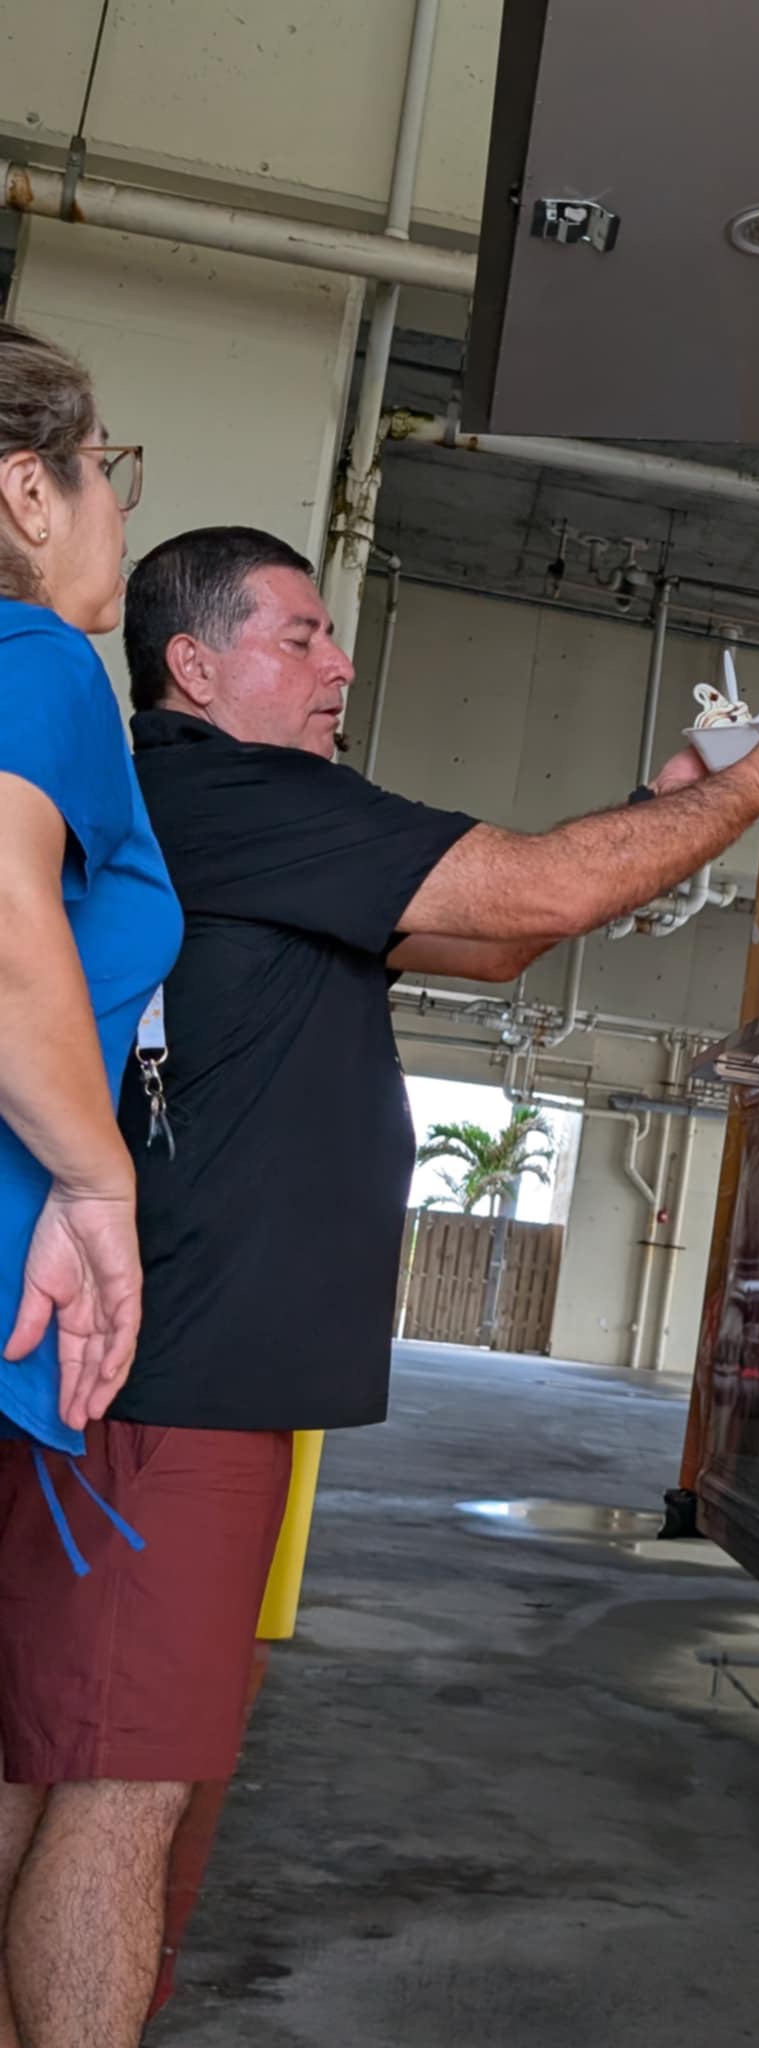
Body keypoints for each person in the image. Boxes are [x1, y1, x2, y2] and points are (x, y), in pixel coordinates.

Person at [0, 522, 759, 2047]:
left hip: (174, 1375)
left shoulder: (205, 819)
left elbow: (487, 945)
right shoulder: (234, 793)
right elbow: (534, 894)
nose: (337, 662)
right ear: (194, 666)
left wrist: (673, 804)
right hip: (171, 1386)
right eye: (300, 635)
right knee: (118, 1782)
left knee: (68, 1757)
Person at [0, 321, 183, 2046]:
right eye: (107, 467)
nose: (118, 504)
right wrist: (98, 1181)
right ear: (27, 491)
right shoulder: (34, 658)